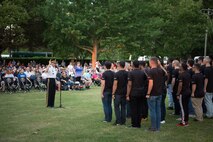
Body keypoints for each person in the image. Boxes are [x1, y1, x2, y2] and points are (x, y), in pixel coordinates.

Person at [126, 60, 147, 128]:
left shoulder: (131, 73)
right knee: (139, 109)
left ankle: (134, 124)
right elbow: (145, 81)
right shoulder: (143, 72)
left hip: (134, 93)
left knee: (134, 109)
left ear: (133, 65)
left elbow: (129, 84)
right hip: (141, 93)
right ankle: (138, 124)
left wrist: (127, 94)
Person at [146, 57, 164, 132]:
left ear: (152, 62)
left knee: (153, 111)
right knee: (158, 110)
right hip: (159, 93)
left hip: (153, 94)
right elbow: (166, 74)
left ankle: (154, 127)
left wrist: (148, 93)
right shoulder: (160, 70)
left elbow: (151, 83)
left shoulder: (151, 71)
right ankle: (158, 127)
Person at [112, 61, 128, 125]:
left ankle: (118, 121)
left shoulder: (117, 74)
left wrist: (113, 93)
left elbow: (115, 84)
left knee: (117, 107)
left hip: (118, 93)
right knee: (123, 107)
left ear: (119, 65)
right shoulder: (127, 73)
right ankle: (123, 121)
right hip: (125, 92)